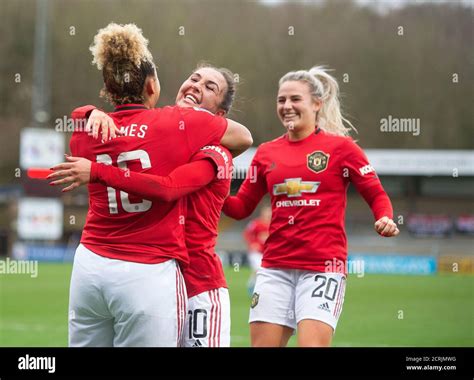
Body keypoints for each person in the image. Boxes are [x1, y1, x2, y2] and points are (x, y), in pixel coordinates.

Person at [54, 23, 252, 347]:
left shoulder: (209, 147)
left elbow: (172, 187)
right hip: (154, 275)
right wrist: (90, 112)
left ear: (221, 112)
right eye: (194, 78)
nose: (196, 84)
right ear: (153, 86)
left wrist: (87, 114)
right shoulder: (171, 125)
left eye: (210, 86)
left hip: (196, 283)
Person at [222, 66, 399, 347]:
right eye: (281, 100)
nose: (287, 106)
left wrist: (385, 218)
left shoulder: (342, 148)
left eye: (295, 99)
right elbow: (241, 206)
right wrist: (210, 186)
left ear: (317, 104)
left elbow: (376, 193)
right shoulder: (266, 153)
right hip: (275, 268)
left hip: (322, 268)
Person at [243, 205, 271, 295]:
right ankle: (253, 288)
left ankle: (251, 284)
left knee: (263, 271)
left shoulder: (274, 223)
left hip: (267, 253)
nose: (268, 214)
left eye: (269, 212)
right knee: (259, 269)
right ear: (262, 213)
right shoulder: (256, 223)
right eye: (266, 212)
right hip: (256, 252)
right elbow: (247, 234)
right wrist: (252, 243)